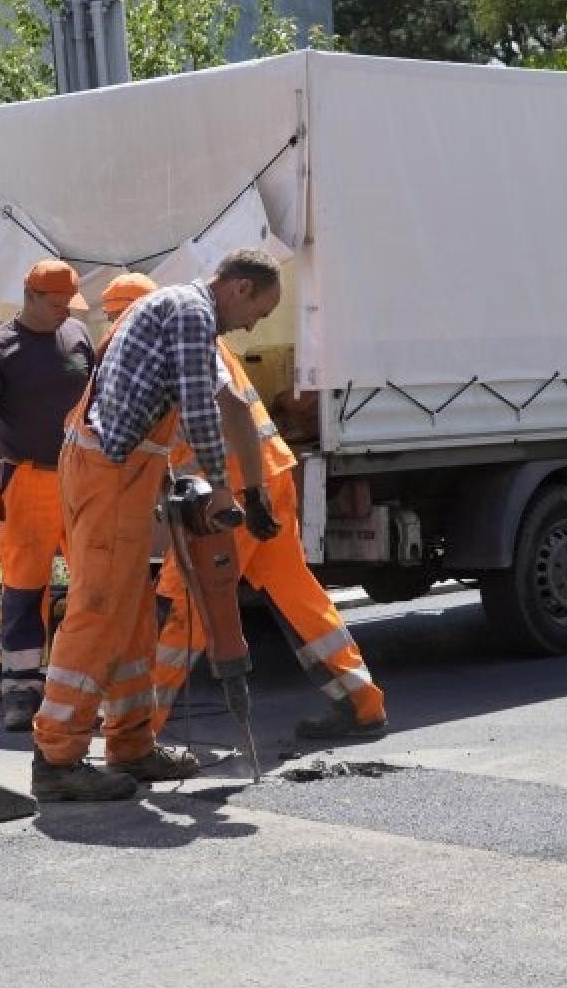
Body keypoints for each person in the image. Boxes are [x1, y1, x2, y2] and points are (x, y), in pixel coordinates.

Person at [31, 248, 283, 802]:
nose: (252, 326)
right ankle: (55, 759)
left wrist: (255, 491)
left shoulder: (188, 314)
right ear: (240, 288)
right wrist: (222, 488)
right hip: (109, 470)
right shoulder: (190, 313)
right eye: (258, 313)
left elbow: (231, 405)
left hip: (126, 468)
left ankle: (130, 744)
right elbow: (199, 409)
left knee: (133, 616)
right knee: (100, 609)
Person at [143, 302, 390, 741]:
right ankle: (361, 702)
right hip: (264, 478)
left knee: (188, 599)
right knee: (295, 594)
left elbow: (216, 418)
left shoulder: (173, 348)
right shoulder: (201, 343)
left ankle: (139, 729)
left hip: (233, 490)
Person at [0, 259, 96, 731]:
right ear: (31, 297)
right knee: (23, 586)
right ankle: (21, 690)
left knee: (93, 584)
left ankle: (84, 687)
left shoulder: (78, 335)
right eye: (57, 303)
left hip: (83, 478)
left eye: (69, 303)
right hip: (29, 482)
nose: (66, 311)